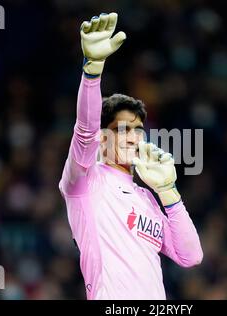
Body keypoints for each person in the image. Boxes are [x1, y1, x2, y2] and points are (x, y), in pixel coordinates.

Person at [59, 12, 203, 300]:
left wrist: (168, 192)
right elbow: (85, 130)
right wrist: (93, 71)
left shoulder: (146, 198)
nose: (133, 136)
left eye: (137, 129)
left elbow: (191, 256)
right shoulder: (85, 182)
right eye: (122, 129)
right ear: (102, 139)